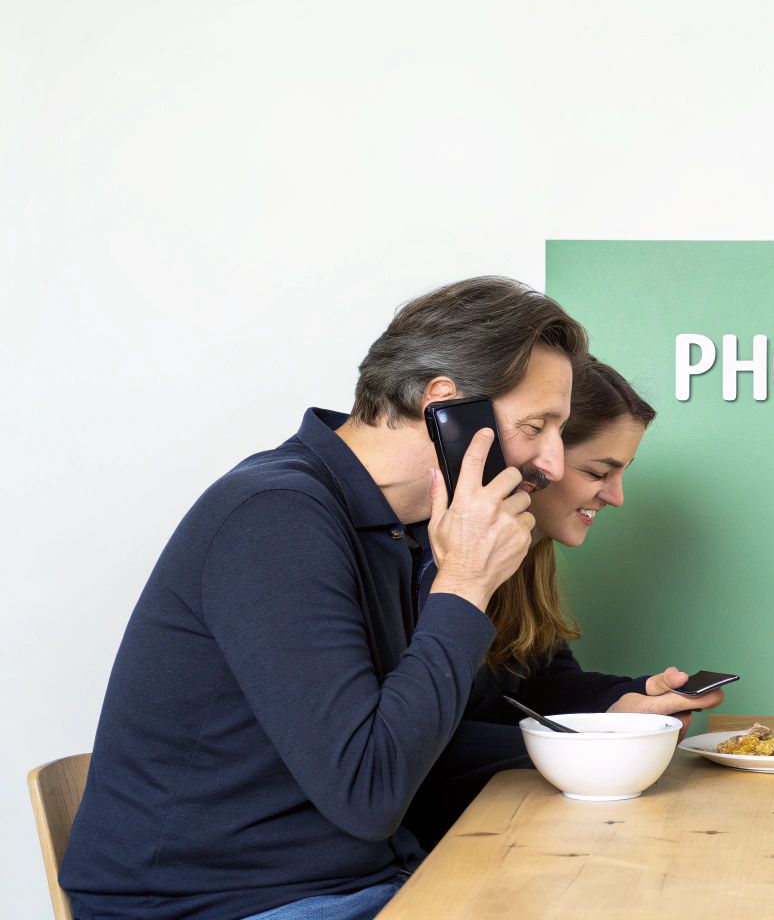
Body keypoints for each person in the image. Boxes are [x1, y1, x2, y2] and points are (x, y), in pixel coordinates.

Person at [61, 277, 585, 920]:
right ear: (446, 406)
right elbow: (371, 789)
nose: (553, 465)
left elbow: (426, 737)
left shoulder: (407, 530)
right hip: (220, 906)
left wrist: (604, 730)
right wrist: (465, 585)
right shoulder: (275, 517)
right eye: (537, 426)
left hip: (358, 880)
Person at [400, 355, 725, 847]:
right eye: (599, 472)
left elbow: (543, 682)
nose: (615, 497)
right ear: (535, 459)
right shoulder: (428, 559)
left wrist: (625, 700)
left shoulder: (525, 554)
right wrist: (591, 740)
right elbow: (412, 740)